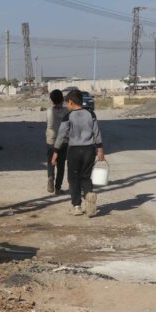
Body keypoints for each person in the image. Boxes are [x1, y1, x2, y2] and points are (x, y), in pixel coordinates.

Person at [51, 89, 104, 217]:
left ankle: (77, 206)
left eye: (67, 103)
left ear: (71, 102)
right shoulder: (91, 114)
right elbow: (96, 132)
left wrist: (55, 151)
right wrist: (100, 149)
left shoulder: (68, 116)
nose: (66, 106)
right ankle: (89, 198)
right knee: (86, 177)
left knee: (73, 178)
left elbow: (61, 135)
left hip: (74, 150)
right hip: (89, 150)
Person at [46, 89, 68, 195]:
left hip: (51, 140)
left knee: (51, 162)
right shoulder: (66, 111)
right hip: (64, 140)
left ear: (51, 100)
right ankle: (58, 188)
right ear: (62, 99)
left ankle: (50, 177)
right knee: (61, 165)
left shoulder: (49, 111)